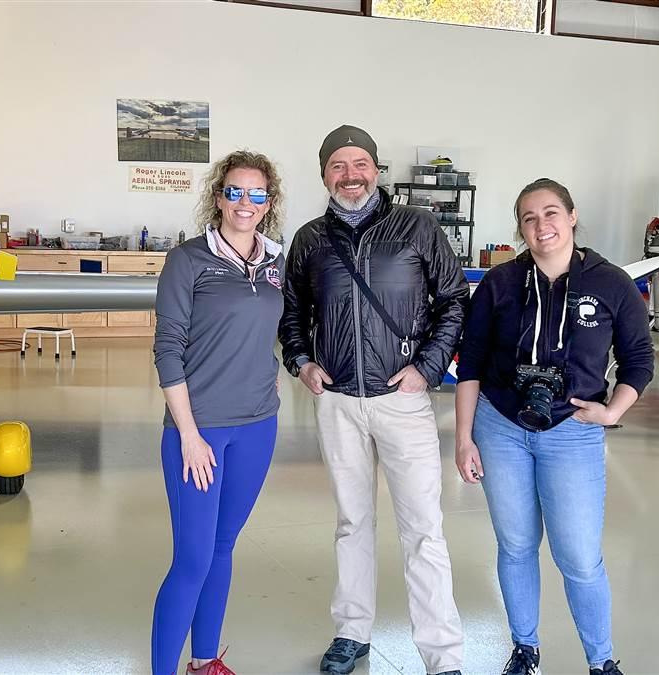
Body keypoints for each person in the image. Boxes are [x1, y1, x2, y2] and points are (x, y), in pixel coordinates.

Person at [279, 125, 469, 675]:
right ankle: (352, 631)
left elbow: (454, 301)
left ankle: (443, 654)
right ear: (324, 176)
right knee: (351, 522)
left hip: (402, 400)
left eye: (359, 163)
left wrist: (427, 369)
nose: (350, 175)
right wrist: (301, 362)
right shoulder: (311, 240)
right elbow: (292, 312)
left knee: (423, 529)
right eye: (338, 165)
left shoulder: (419, 227)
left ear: (377, 169)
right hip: (336, 400)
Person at [453, 178, 654, 675]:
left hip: (572, 431)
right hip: (500, 427)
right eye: (528, 218)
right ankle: (525, 648)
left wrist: (612, 411)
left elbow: (639, 360)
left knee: (580, 558)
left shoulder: (611, 284)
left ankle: (601, 660)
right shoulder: (500, 284)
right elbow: (471, 362)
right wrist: (463, 438)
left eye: (550, 213)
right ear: (521, 229)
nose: (541, 226)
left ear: (571, 216)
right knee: (516, 545)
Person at [152, 150, 287, 675]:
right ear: (218, 197)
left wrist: (271, 365)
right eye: (235, 191)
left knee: (223, 548)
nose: (245, 203)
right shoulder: (188, 260)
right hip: (200, 431)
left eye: (256, 194)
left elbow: (269, 327)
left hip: (258, 425)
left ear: (268, 203)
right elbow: (168, 348)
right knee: (192, 559)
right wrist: (187, 432)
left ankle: (204, 661)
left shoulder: (275, 261)